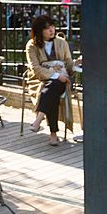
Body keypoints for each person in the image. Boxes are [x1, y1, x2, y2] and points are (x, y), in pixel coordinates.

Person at [25, 15, 75, 146]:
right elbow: (35, 69)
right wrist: (55, 75)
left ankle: (39, 119)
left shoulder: (61, 42)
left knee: (53, 87)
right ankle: (53, 134)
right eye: (47, 28)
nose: (51, 30)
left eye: (52, 26)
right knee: (52, 89)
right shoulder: (32, 45)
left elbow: (69, 63)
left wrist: (75, 64)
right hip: (39, 80)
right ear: (39, 31)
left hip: (62, 78)